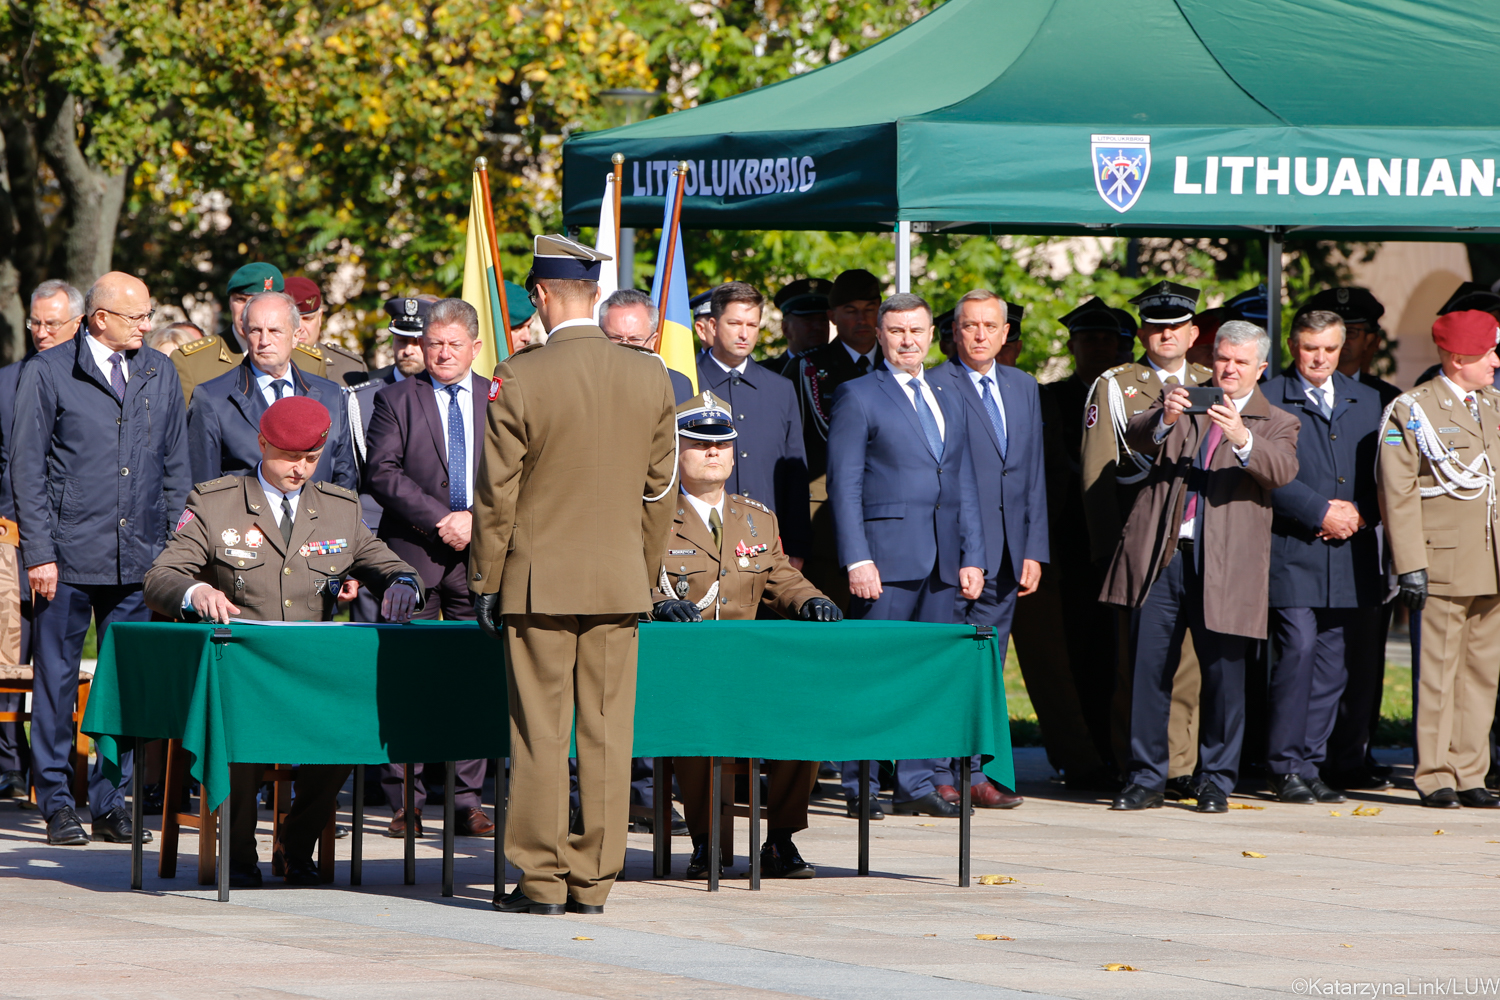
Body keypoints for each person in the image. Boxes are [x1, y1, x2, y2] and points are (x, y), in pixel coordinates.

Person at [471, 234, 676, 915]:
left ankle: (540, 881)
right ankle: (593, 883)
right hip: (619, 582)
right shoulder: (650, 375)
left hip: (538, 585)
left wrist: (486, 579)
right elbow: (659, 494)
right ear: (594, 295)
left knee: (540, 735)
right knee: (609, 735)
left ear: (540, 295)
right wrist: (640, 575)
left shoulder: (521, 374)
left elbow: (496, 493)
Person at [143, 396, 422, 885]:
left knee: (350, 731)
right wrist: (196, 589)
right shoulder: (215, 503)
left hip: (309, 674)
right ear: (262, 444)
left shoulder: (337, 508)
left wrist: (403, 584)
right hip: (241, 670)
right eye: (289, 458)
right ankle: (239, 854)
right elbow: (160, 576)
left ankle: (297, 844)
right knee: (242, 734)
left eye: (310, 459)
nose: (300, 469)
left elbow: (386, 563)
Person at [13, 271, 192, 845]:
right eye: (136, 316)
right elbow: (28, 470)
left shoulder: (158, 371)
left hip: (138, 559)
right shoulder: (49, 371)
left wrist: (173, 551)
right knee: (57, 683)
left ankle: (111, 800)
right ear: (100, 319)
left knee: (123, 687)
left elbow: (173, 467)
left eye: (148, 314)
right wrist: (40, 553)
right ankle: (57, 801)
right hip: (63, 560)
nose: (147, 324)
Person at [1103, 319, 1299, 813]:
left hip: (1227, 566)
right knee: (1149, 669)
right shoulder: (1186, 398)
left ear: (1261, 367)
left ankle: (1215, 780)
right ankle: (1145, 778)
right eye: (1222, 359)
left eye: (1239, 361)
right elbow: (1136, 435)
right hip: (1166, 558)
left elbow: (1282, 470)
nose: (1228, 369)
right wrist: (1166, 418)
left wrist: (1242, 438)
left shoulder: (1274, 420)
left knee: (1223, 677)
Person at [650, 392, 841, 879]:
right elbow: (632, 576)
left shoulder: (756, 517)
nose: (713, 452)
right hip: (686, 669)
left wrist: (810, 600)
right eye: (698, 442)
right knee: (698, 722)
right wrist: (656, 602)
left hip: (748, 669)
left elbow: (779, 575)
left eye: (722, 443)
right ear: (675, 450)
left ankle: (780, 840)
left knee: (805, 715)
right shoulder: (650, 517)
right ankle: (707, 841)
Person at [826, 292, 985, 819]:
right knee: (871, 672)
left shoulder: (949, 393)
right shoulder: (858, 395)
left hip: (943, 562)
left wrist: (973, 555)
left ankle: (916, 781)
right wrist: (856, 558)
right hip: (884, 562)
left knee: (927, 676)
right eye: (897, 331)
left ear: (931, 334)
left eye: (916, 331)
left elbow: (962, 480)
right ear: (881, 334)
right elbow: (843, 485)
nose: (908, 341)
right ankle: (862, 781)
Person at [363, 297, 495, 839]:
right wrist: (444, 520)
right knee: (406, 678)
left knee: (473, 677)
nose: (441, 353)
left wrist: (475, 521)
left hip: (482, 559)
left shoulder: (501, 397)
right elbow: (383, 474)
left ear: (475, 348)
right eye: (433, 343)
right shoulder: (396, 398)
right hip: (412, 557)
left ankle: (466, 800)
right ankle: (405, 802)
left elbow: (519, 472)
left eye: (453, 345)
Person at [1080, 285, 1211, 798]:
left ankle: (1180, 764)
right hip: (1137, 542)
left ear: (1193, 333)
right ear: (1142, 333)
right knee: (1138, 662)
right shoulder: (1117, 384)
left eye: (1177, 326)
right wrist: (1106, 549)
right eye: (1157, 327)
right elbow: (1097, 473)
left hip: (1197, 540)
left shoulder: (1208, 381)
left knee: (1190, 666)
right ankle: (1137, 765)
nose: (1166, 334)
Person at [930, 289, 1058, 807]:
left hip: (1010, 554)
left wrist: (1034, 548)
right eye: (970, 326)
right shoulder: (935, 385)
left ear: (1007, 334)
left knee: (988, 662)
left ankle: (974, 771)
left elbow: (1031, 474)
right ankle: (936, 771)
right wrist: (966, 554)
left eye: (990, 326)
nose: (980, 335)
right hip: (955, 555)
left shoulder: (1024, 386)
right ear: (954, 332)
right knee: (947, 661)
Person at [1377, 310, 1500, 809]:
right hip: (1443, 559)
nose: (1495, 361)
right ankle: (1434, 774)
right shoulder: (1413, 410)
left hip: (1490, 559)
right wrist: (1409, 564)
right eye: (1488, 352)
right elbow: (1398, 492)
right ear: (1457, 357)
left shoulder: (1492, 406)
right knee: (1439, 672)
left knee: (1481, 674)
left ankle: (1471, 770)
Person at [1261, 310, 1384, 804]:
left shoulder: (1371, 399)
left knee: (1335, 663)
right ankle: (1284, 764)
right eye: (1312, 348)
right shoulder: (1268, 397)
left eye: (1330, 349)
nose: (1321, 358)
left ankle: (1312, 765)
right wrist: (1319, 510)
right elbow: (1263, 471)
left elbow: (1387, 473)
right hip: (1291, 549)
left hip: (1349, 552)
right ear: (1293, 346)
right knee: (1298, 651)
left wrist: (1361, 514)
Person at [1299, 286, 1401, 791]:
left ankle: (1352, 753)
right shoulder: (1285, 391)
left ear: (1371, 342)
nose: (1342, 345)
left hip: (1367, 538)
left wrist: (1361, 513)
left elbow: (1401, 476)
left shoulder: (1389, 400)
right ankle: (1302, 757)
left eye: (1354, 333)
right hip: (1303, 538)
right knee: (1304, 654)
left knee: (1362, 654)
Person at [1025, 296, 1127, 779]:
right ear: (1072, 345)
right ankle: (1080, 753)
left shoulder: (1136, 393)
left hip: (1122, 537)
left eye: (1108, 339)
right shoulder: (1051, 397)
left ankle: (1117, 747)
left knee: (1117, 651)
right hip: (1064, 540)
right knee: (1070, 651)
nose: (1099, 347)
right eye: (1089, 339)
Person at [0, 279, 84, 798]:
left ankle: (67, 773)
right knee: (10, 656)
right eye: (35, 322)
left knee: (56, 667)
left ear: (79, 323)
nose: (42, 332)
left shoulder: (89, 379)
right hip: (11, 541)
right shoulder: (8, 381)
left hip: (72, 546)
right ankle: (10, 762)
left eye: (54, 323)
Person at [187, 291, 357, 491]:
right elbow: (203, 488)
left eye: (275, 331)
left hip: (317, 519)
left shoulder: (331, 396)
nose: (264, 340)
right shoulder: (213, 398)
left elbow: (344, 479)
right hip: (245, 520)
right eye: (255, 330)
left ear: (295, 337)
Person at [694, 282, 811, 564]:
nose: (744, 334)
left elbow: (795, 476)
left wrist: (795, 548)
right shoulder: (686, 381)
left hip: (767, 546)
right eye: (734, 323)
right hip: (699, 541)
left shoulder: (780, 389)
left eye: (752, 325)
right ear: (712, 324)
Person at [788, 268, 885, 606]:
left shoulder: (899, 363)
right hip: (825, 522)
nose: (862, 319)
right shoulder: (808, 368)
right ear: (832, 317)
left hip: (890, 519)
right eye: (850, 310)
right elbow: (793, 448)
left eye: (870, 308)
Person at [347, 297, 431, 622]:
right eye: (401, 340)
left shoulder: (451, 395)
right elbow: (351, 476)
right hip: (374, 532)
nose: (408, 349)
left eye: (417, 341)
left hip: (432, 534)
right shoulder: (361, 397)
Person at [171, 262, 285, 404]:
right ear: (230, 303)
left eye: (257, 301)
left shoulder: (309, 362)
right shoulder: (191, 363)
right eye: (240, 300)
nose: (247, 311)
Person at [599, 288, 694, 402]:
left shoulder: (677, 385)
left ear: (653, 341)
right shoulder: (585, 380)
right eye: (615, 338)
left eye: (635, 339)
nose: (625, 346)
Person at [284, 276, 369, 387]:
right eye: (292, 320)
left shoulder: (350, 369)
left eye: (307, 319)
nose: (299, 328)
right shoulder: (261, 364)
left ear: (320, 317)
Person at [765, 277, 834, 373]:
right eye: (808, 320)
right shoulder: (765, 374)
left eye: (823, 320)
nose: (818, 326)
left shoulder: (844, 370)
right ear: (786, 328)